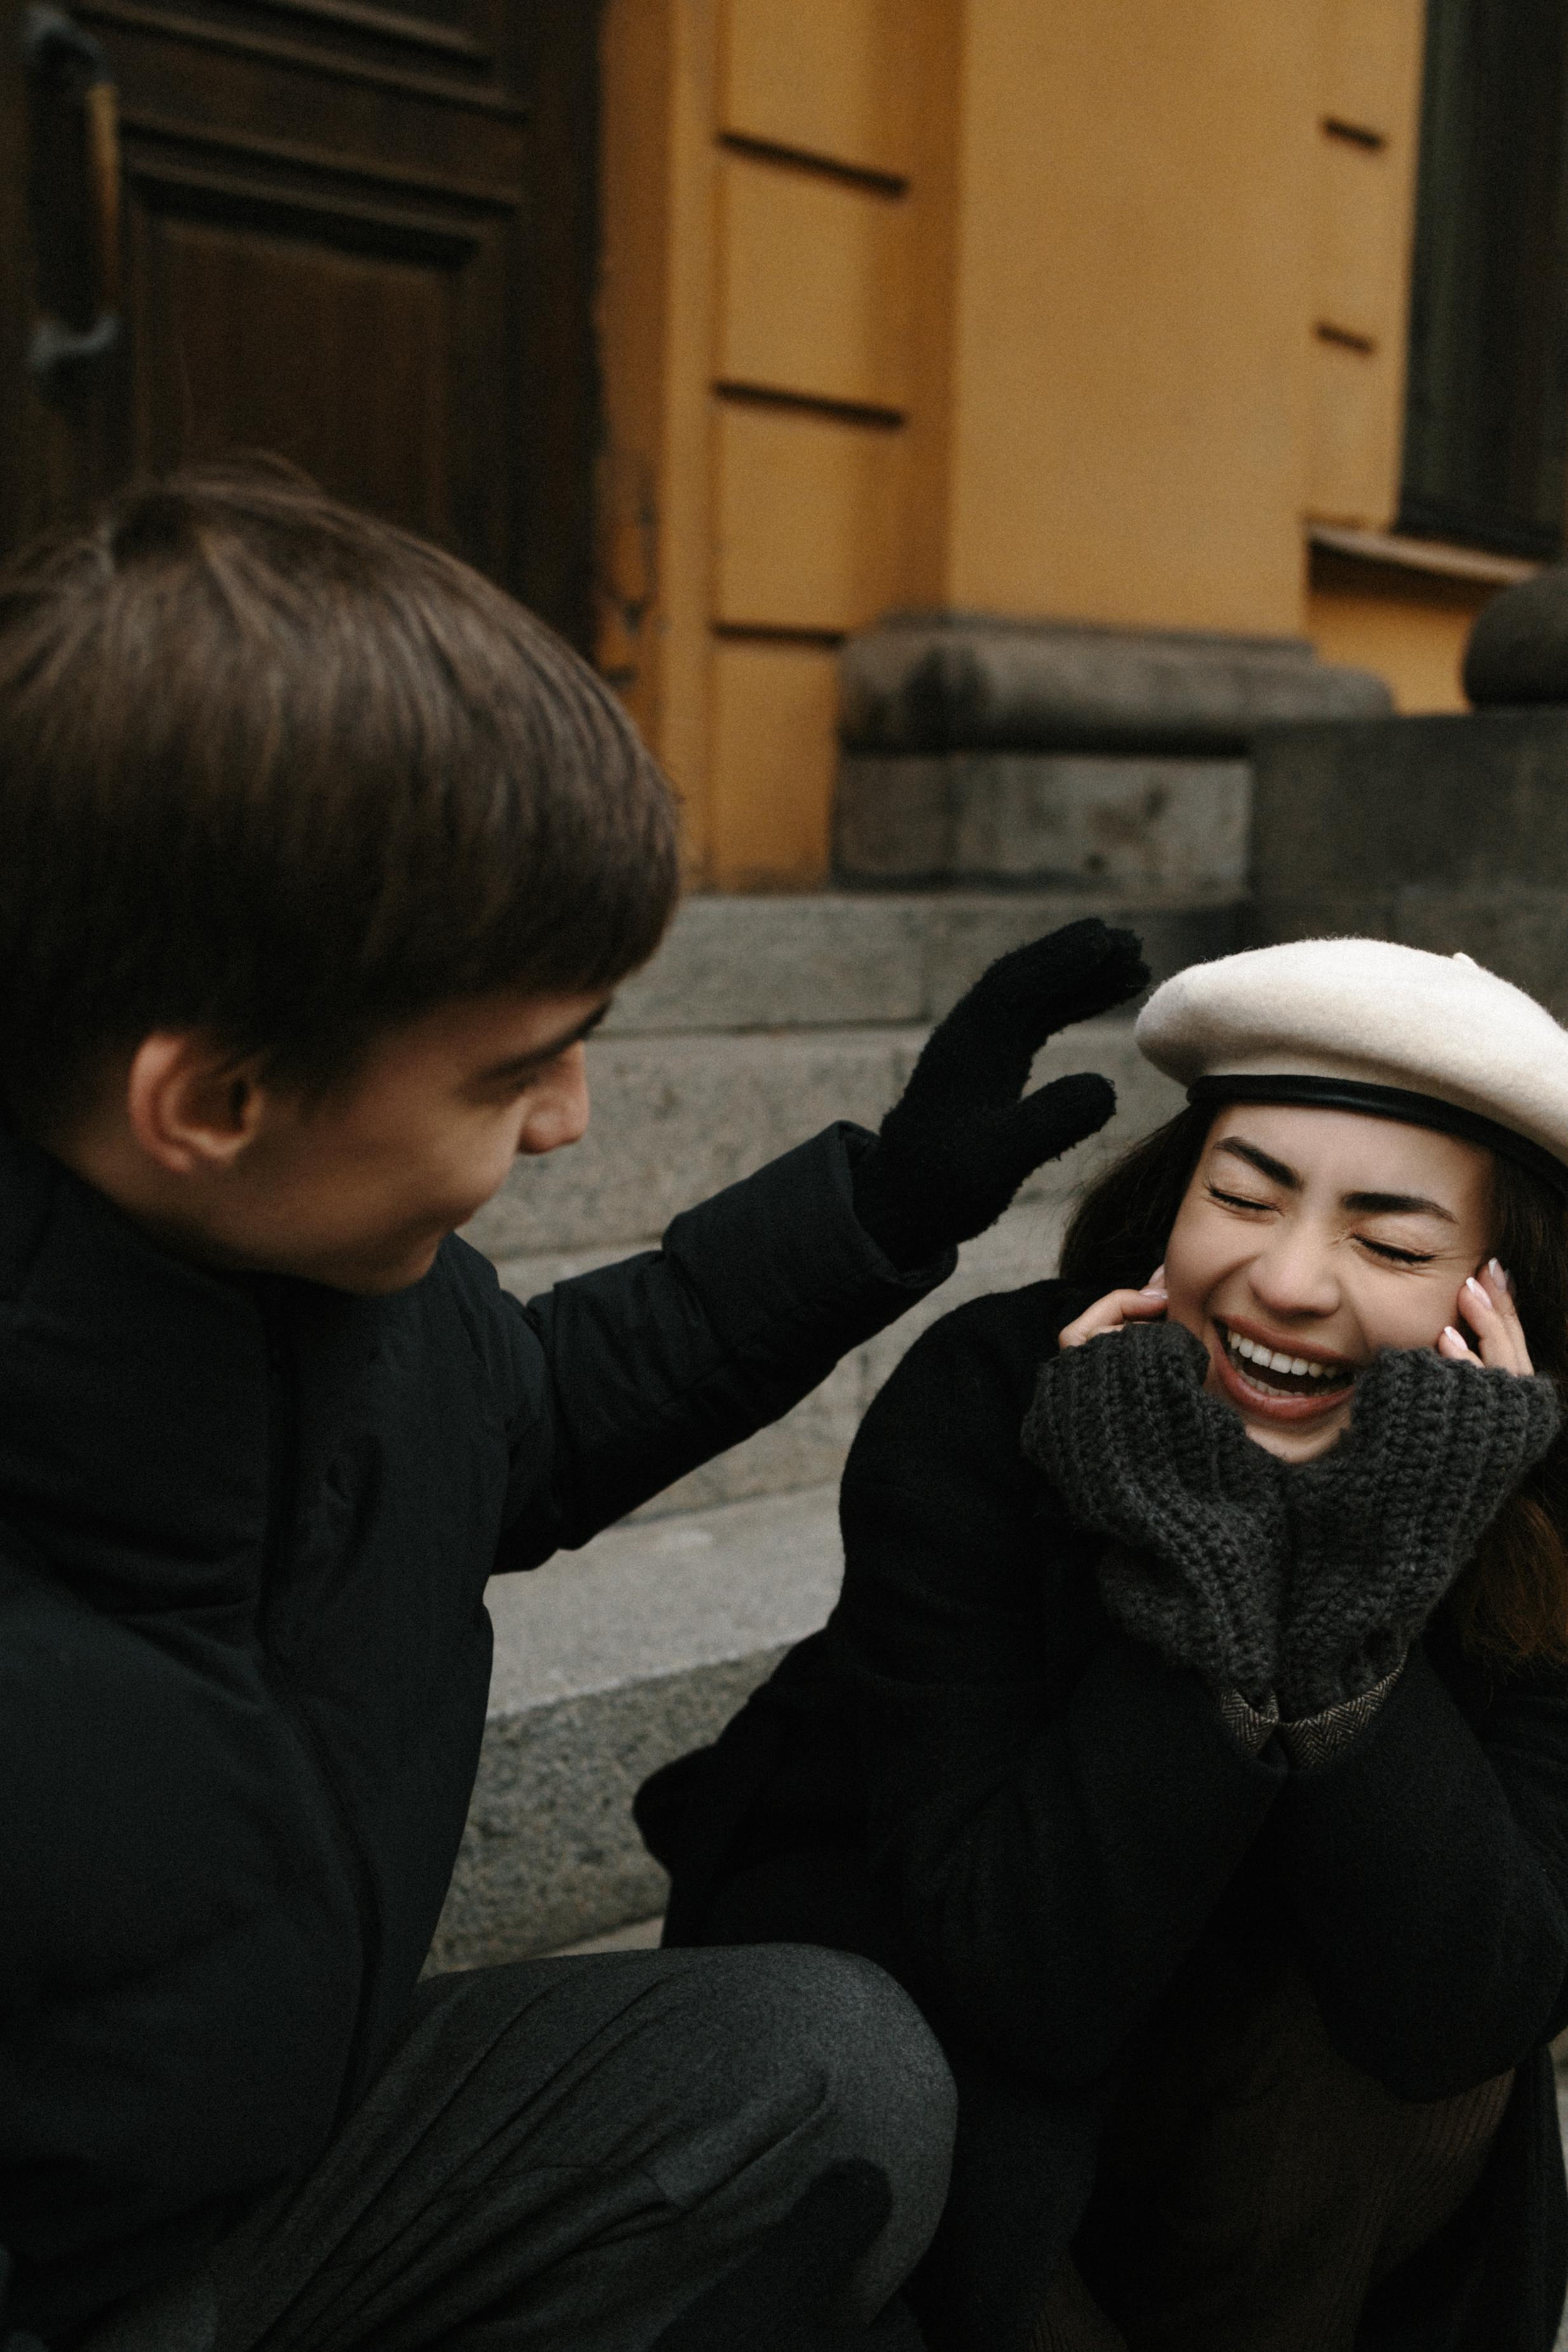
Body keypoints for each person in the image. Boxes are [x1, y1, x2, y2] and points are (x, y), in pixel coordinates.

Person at [0, 466, 1152, 2352]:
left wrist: (877, 1207)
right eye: (513, 1067)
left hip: (281, 2160)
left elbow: (525, 1412)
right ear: (207, 1101)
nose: (570, 1122)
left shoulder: (341, 1294)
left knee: (823, 2066)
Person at [642, 938, 1568, 2352]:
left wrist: (1355, 1607)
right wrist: (1185, 1545)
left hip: (1289, 2092)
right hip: (949, 2024)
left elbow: (1467, 2011)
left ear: (1500, 1304)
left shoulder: (1549, 1504)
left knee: (1402, 2054)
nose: (1288, 1279)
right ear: (1169, 1203)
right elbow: (1022, 1974)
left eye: (1389, 1243)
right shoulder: (1000, 1391)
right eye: (1240, 1197)